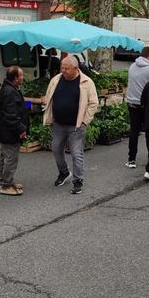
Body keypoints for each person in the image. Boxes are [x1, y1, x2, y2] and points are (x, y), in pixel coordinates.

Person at [43, 56, 99, 194]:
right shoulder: (56, 80)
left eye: (66, 68)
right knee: (56, 149)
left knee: (76, 153)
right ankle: (64, 172)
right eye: (62, 68)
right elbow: (48, 97)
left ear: (76, 68)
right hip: (58, 124)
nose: (63, 71)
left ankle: (78, 180)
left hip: (76, 126)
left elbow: (93, 103)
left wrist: (85, 121)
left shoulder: (86, 82)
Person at [0, 66, 28, 196]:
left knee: (5, 156)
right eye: (21, 75)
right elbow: (11, 115)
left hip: (4, 131)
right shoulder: (10, 92)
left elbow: (19, 105)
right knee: (11, 158)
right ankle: (6, 185)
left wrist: (30, 106)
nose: (23, 78)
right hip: (9, 132)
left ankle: (5, 181)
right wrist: (21, 130)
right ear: (15, 78)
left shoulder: (10, 89)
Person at [125, 46, 149, 168]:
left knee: (134, 131)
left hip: (131, 102)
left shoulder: (132, 66)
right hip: (145, 104)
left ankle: (131, 159)